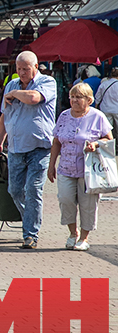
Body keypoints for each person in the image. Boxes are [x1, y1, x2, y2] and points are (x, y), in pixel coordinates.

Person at [0, 51, 57, 249]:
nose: (21, 72)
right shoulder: (11, 85)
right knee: (14, 190)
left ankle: (30, 234)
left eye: (26, 69)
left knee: (33, 189)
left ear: (36, 67)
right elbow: (5, 116)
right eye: (18, 69)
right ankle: (29, 217)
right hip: (16, 147)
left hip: (40, 147)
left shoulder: (47, 82)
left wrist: (13, 94)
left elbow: (33, 98)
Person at [47, 83, 112, 252]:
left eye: (78, 97)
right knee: (65, 200)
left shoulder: (98, 116)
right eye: (72, 97)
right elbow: (56, 142)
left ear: (89, 100)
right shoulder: (63, 116)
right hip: (65, 168)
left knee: (88, 204)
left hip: (89, 170)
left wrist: (96, 143)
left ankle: (84, 238)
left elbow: (109, 139)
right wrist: (51, 165)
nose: (74, 100)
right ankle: (72, 233)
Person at [94, 67, 118, 138]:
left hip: (105, 109)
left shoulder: (104, 84)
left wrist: (96, 107)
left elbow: (98, 97)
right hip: (116, 109)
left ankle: (109, 144)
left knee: (107, 130)